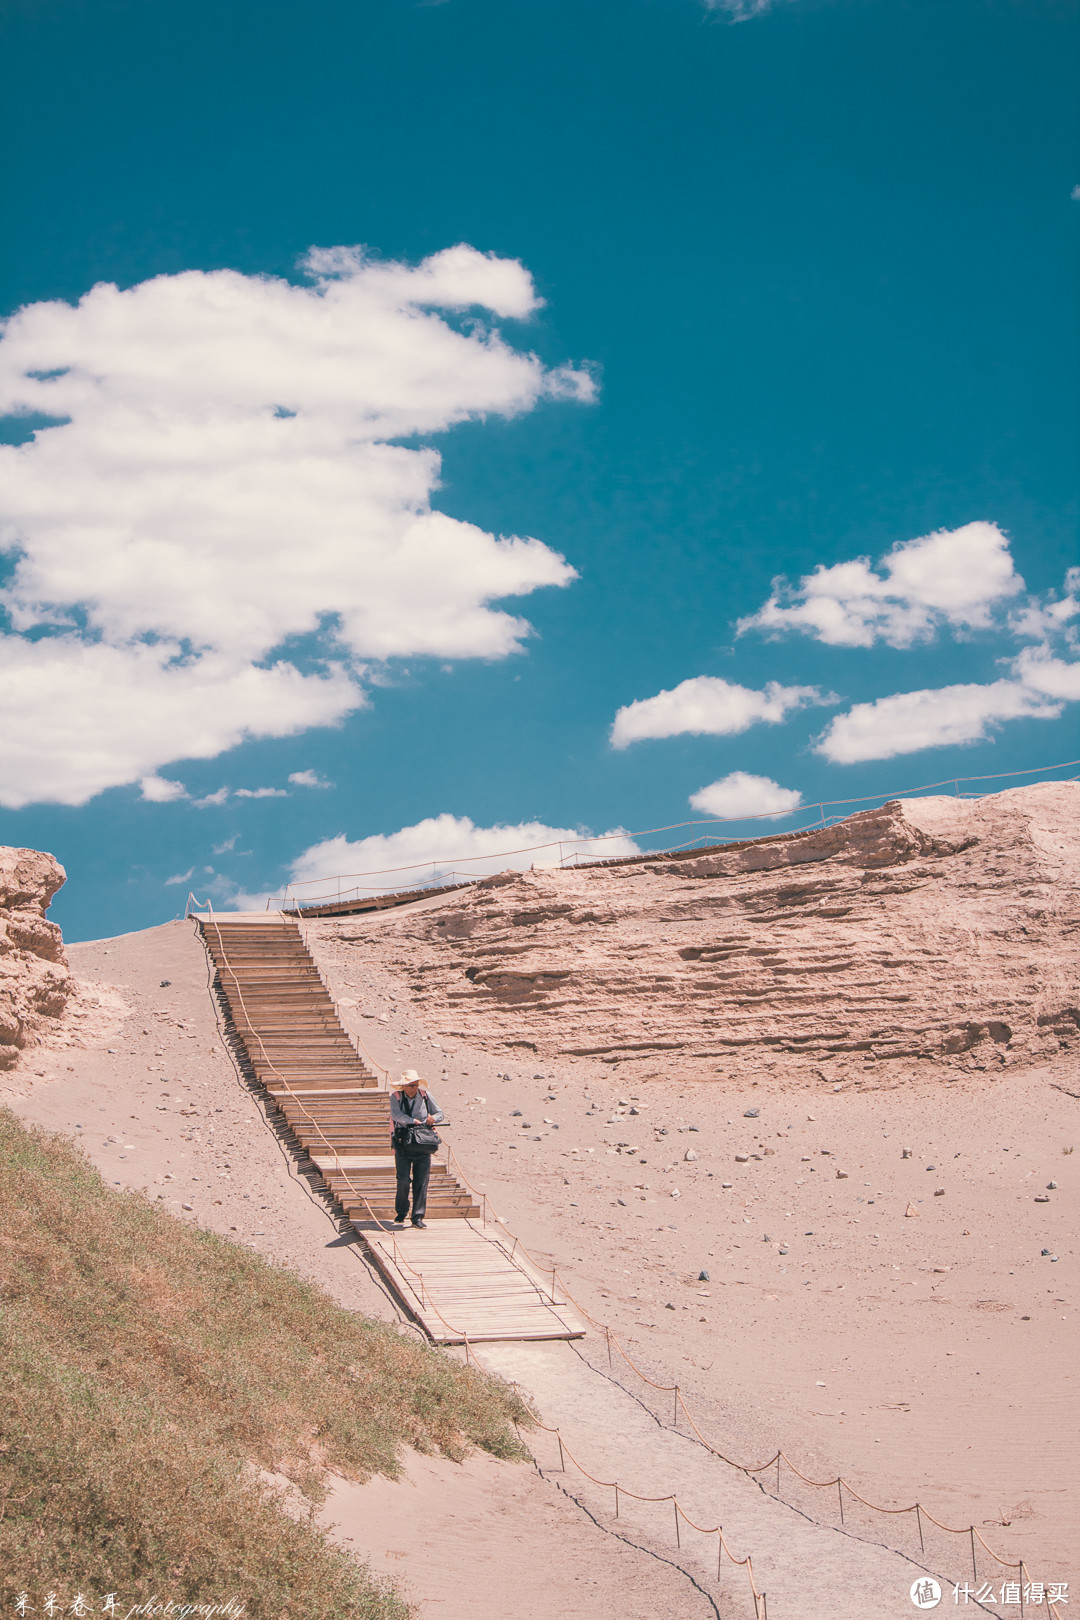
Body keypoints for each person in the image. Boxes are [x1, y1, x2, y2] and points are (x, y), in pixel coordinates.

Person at [390, 1070, 444, 1229]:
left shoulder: (426, 1095)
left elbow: (440, 1113)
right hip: (403, 1144)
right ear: (403, 1086)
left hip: (422, 1144)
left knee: (421, 1181)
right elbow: (395, 1115)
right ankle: (401, 1211)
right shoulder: (395, 1098)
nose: (412, 1088)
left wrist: (433, 1119)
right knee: (403, 1180)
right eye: (409, 1085)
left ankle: (418, 1216)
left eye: (415, 1085)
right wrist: (411, 1121)